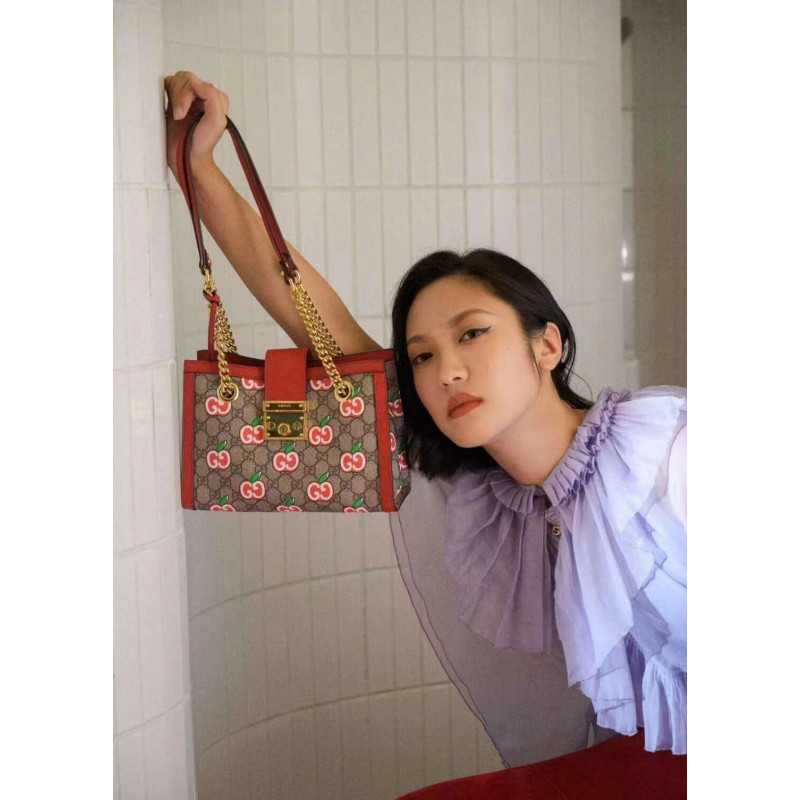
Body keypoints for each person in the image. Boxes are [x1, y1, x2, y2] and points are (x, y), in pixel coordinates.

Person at [165, 71, 687, 765]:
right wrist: (197, 163)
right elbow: (303, 309)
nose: (447, 372)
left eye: (473, 333)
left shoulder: (662, 451)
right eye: (422, 355)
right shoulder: (482, 491)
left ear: (547, 345)